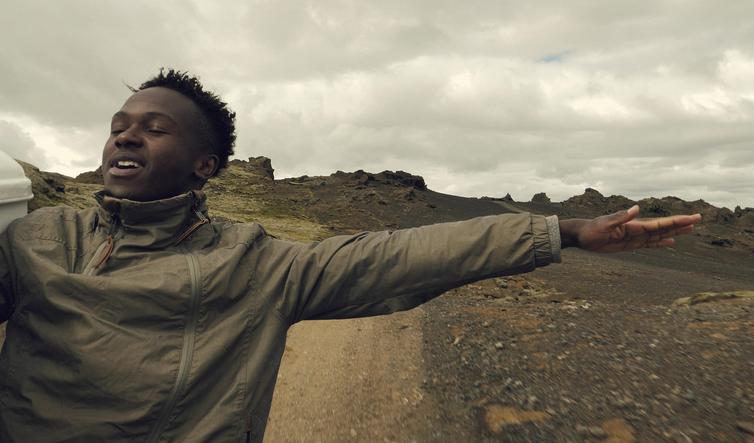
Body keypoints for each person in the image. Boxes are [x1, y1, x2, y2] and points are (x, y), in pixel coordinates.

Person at [0, 69, 700, 442]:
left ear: (205, 165)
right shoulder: (39, 239)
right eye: (119, 127)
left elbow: (399, 255)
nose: (125, 137)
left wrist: (566, 232)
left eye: (154, 129)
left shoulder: (256, 267)